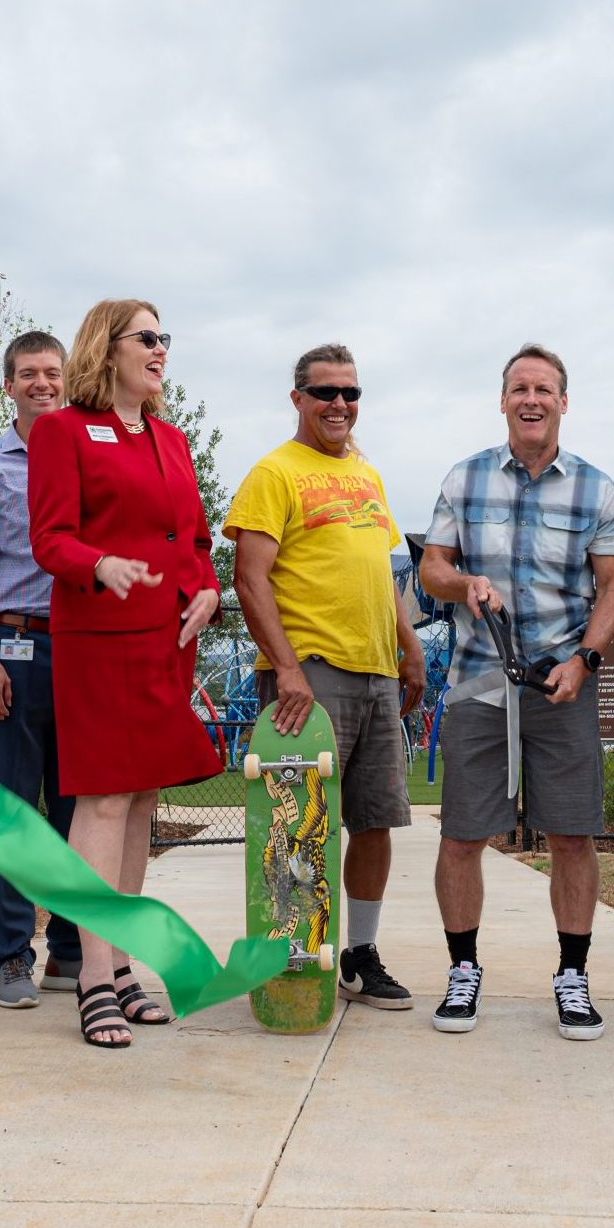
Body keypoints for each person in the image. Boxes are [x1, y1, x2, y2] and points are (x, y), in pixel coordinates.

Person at [419, 345, 614, 1040]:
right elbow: (433, 569)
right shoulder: (465, 478)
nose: (530, 398)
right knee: (461, 836)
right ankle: (462, 972)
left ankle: (572, 976)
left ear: (563, 402)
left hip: (560, 685)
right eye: (518, 388)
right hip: (479, 684)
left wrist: (586, 661)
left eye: (543, 388)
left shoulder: (596, 489)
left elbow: (610, 587)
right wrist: (463, 584)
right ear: (502, 400)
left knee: (571, 834)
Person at [28, 299, 223, 1047]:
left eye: (163, 338)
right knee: (103, 799)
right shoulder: (61, 431)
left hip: (169, 636)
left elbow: (195, 536)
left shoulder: (171, 439)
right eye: (147, 338)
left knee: (141, 798)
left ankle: (122, 966)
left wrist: (205, 585)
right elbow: (50, 538)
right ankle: (91, 974)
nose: (160, 350)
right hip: (101, 633)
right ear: (106, 349)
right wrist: (98, 562)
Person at [226, 343, 428, 1012]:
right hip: (309, 680)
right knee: (297, 828)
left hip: (375, 676)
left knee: (373, 823)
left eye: (349, 393)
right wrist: (285, 668)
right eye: (324, 393)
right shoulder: (274, 473)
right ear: (298, 399)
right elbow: (249, 579)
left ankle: (358, 956)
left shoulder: (367, 476)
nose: (338, 404)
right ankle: (288, 955)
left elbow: (382, 574)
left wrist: (409, 649)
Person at [0, 329, 84, 1009]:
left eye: (51, 373)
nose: (42, 384)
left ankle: (71, 952)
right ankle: (9, 957)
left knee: (78, 813)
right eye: (27, 374)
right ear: (8, 386)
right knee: (10, 811)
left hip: (84, 654)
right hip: (16, 651)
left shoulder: (87, 456)